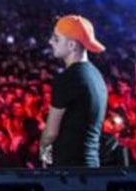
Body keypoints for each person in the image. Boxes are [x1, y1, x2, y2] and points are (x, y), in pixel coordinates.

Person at [40, 15, 108, 168]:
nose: (50, 42)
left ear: (72, 45)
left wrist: (44, 153)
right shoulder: (96, 75)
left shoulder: (68, 79)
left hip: (69, 171)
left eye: (56, 39)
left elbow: (50, 133)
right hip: (90, 165)